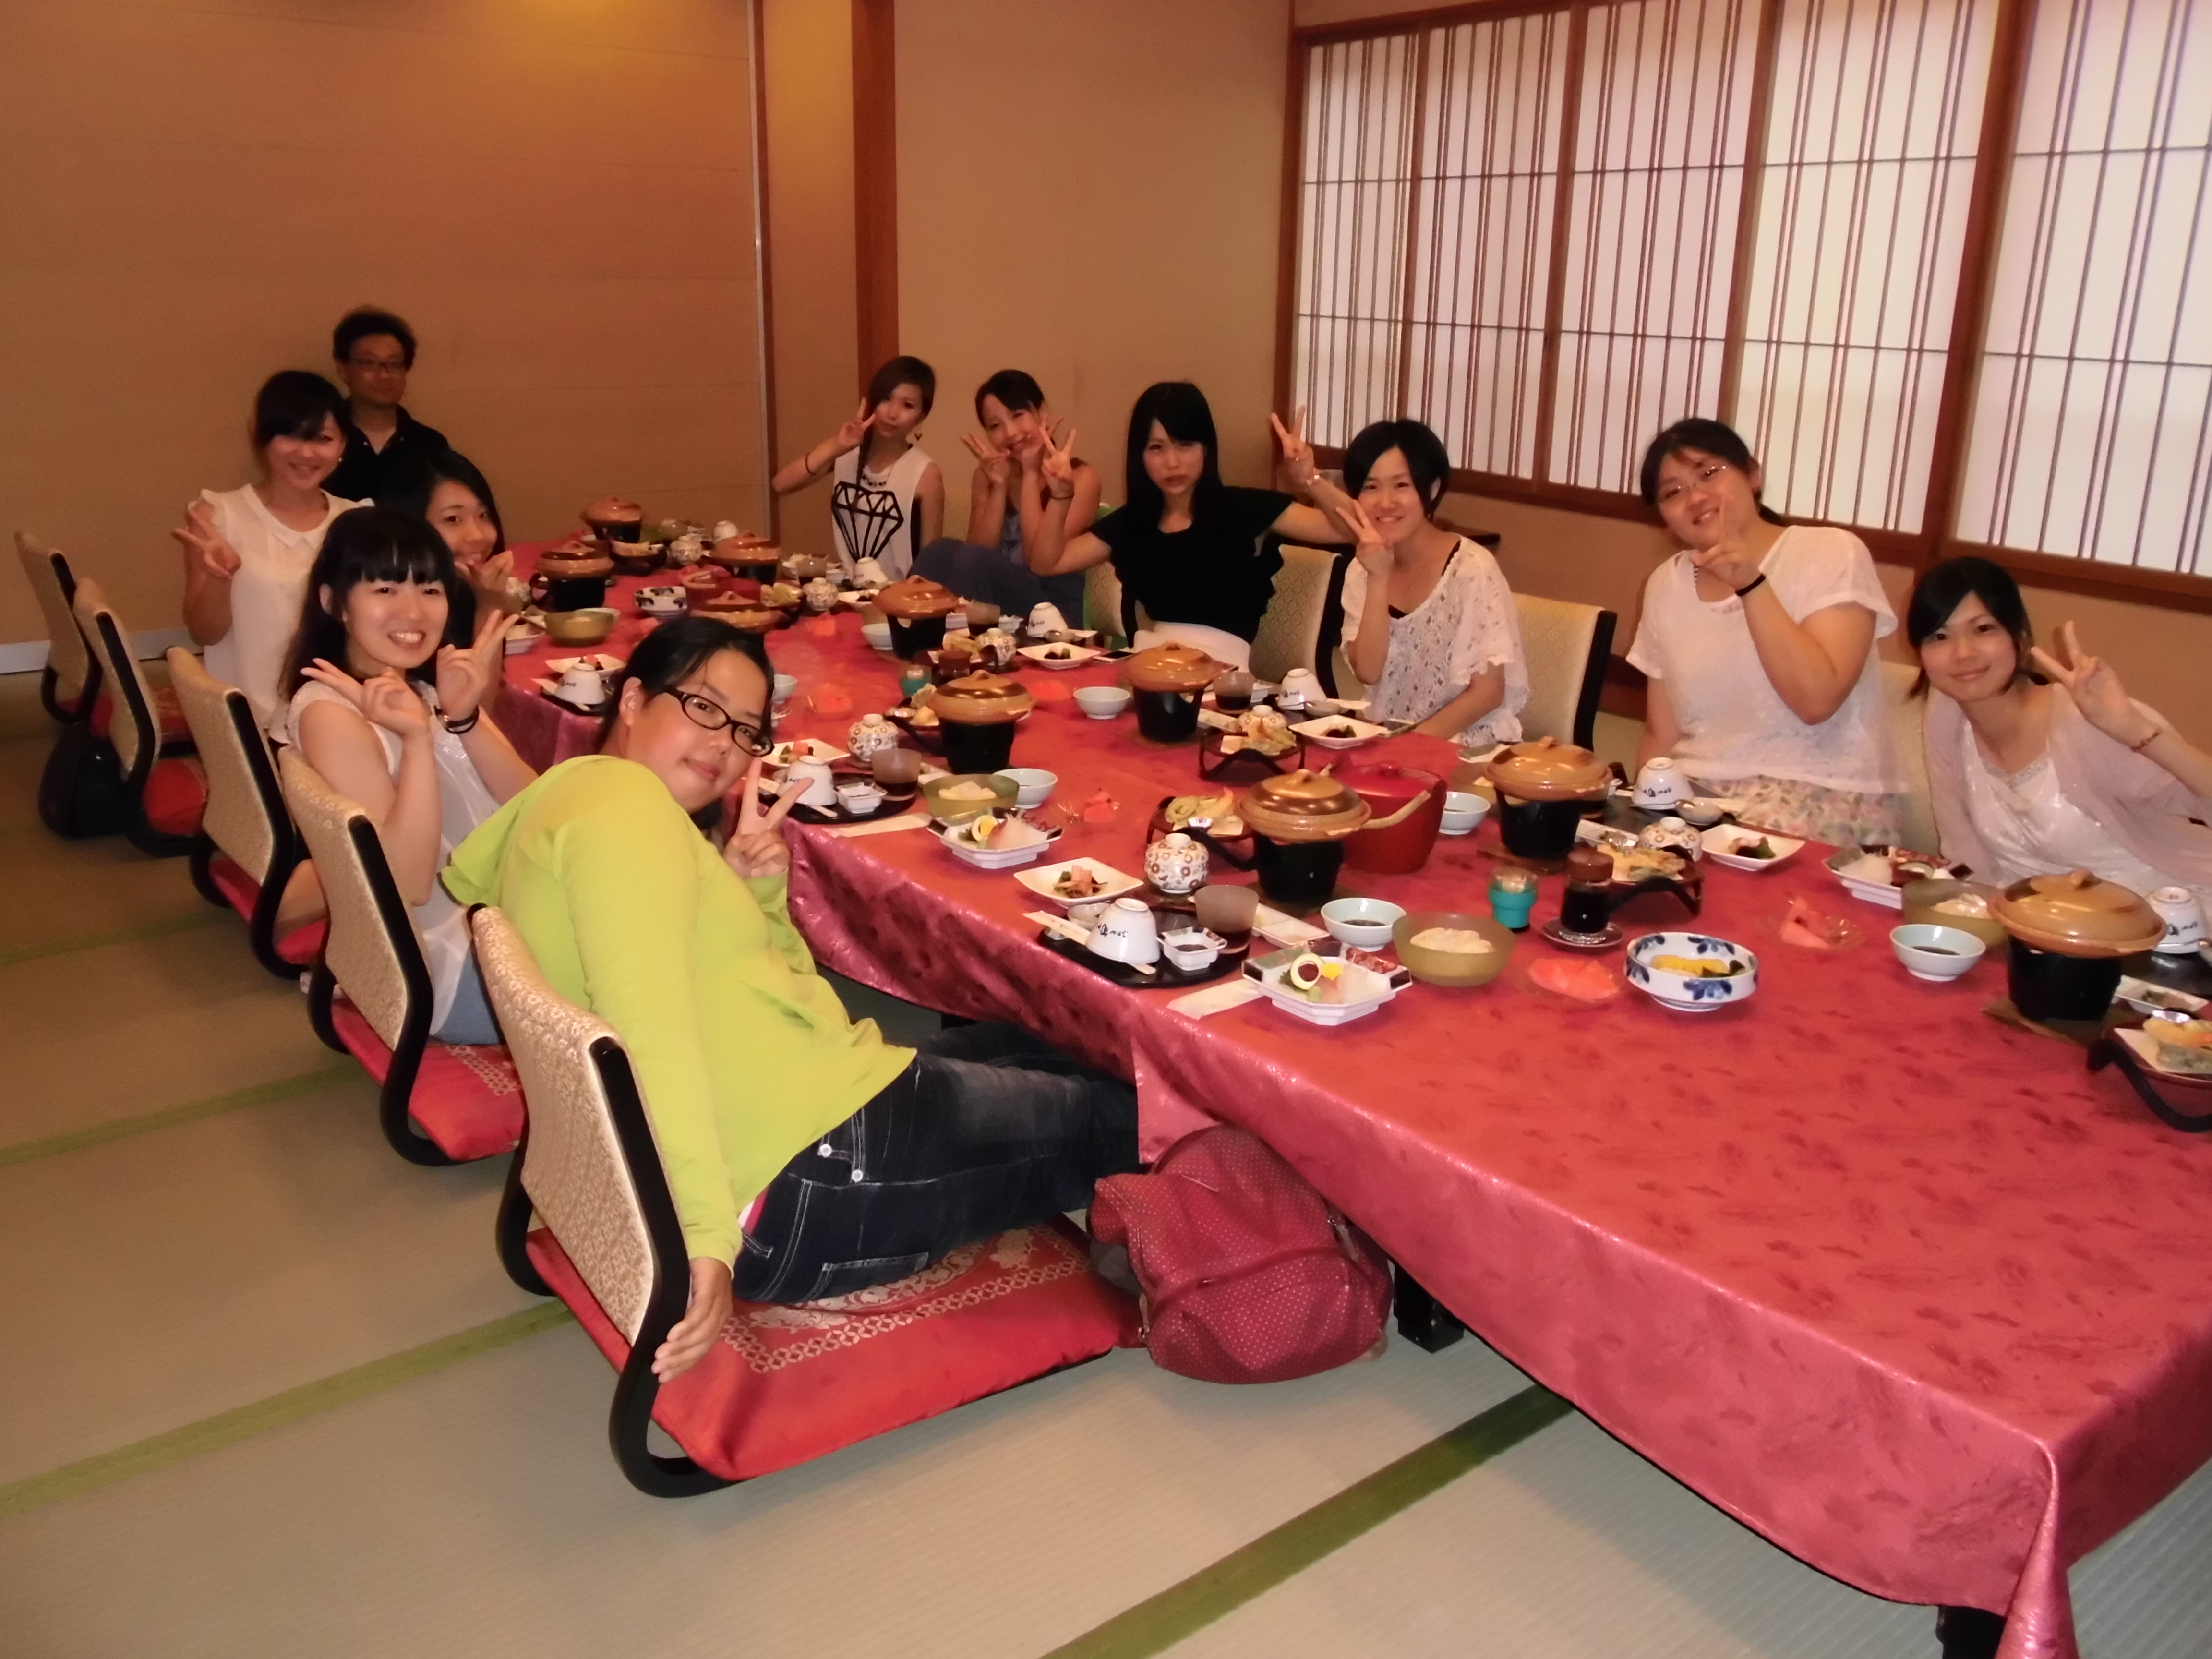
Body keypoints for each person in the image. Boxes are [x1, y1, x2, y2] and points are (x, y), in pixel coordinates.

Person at [440, 616, 1139, 1378]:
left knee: (1044, 1041)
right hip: (811, 1175)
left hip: (810, 1109)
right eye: (704, 707)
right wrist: (704, 1239)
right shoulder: (627, 813)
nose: (724, 745)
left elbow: (777, 992)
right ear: (634, 699)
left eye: (746, 730)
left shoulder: (576, 793)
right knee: (1125, 1113)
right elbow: (649, 1034)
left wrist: (754, 895)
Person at [282, 507, 532, 1044]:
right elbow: (406, 883)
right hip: (455, 969)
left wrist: (465, 718)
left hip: (509, 929)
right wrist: (417, 742)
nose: (414, 611)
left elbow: (535, 806)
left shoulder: (422, 690)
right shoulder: (329, 714)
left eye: (430, 589)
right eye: (385, 589)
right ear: (333, 602)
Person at [1626, 418, 1905, 844]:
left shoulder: (1830, 553)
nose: (1696, 497)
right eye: (1673, 492)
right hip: (1697, 798)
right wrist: (1641, 817)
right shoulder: (1666, 584)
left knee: (1730, 858)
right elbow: (1661, 735)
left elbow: (1816, 701)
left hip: (1820, 793)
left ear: (1752, 475)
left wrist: (1751, 583)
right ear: (1664, 518)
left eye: (1709, 473)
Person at [1908, 556, 2212, 911]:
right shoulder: (1947, 715)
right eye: (1940, 636)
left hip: (2165, 917)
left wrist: (2135, 729)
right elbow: (1966, 855)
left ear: (2020, 637)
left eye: (1983, 629)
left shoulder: (2083, 722)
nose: (1963, 653)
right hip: (2038, 925)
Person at [1024, 383, 1363, 668]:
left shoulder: (1244, 508)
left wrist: (1310, 480)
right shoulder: (1135, 521)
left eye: (1185, 445)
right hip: (1149, 668)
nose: (1172, 462)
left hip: (1222, 682)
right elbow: (1046, 562)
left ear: (1207, 448)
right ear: (1140, 457)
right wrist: (1061, 496)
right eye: (1157, 448)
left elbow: (1353, 528)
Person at [176, 371, 366, 730]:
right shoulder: (219, 516)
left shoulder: (358, 522)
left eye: (323, 438)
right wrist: (220, 578)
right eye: (291, 434)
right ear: (261, 435)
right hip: (250, 726)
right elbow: (204, 634)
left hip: (335, 722)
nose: (306, 452)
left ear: (342, 444)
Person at [1337, 419, 1527, 745]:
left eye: (1401, 485)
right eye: (1371, 487)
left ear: (1433, 488)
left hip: (1469, 745)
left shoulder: (1471, 567)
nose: (1386, 502)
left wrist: (1408, 746)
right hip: (1387, 737)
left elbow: (1488, 693)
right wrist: (1378, 577)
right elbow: (1368, 671)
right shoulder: (1362, 570)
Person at [911, 369, 1097, 617]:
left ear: (1042, 412)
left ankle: (957, 637)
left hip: (1052, 613)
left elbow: (1038, 561)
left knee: (973, 560)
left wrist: (1031, 473)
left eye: (1018, 415)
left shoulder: (1081, 478)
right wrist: (999, 487)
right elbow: (977, 553)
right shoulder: (987, 475)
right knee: (940, 551)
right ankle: (908, 629)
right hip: (997, 607)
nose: (1010, 433)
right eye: (995, 426)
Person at [770, 356, 944, 580]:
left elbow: (932, 565)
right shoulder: (847, 455)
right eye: (886, 398)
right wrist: (836, 445)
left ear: (921, 417)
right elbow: (781, 485)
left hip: (897, 596)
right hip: (842, 591)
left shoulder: (926, 474)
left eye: (907, 405)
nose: (892, 413)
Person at [323, 307, 450, 503]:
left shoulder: (429, 445)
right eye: (369, 363)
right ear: (343, 369)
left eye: (394, 364)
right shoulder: (322, 440)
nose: (383, 375)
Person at [385, 448, 514, 618]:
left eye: (483, 515)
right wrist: (489, 604)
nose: (478, 535)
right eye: (453, 519)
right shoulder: (396, 607)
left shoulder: (470, 593)